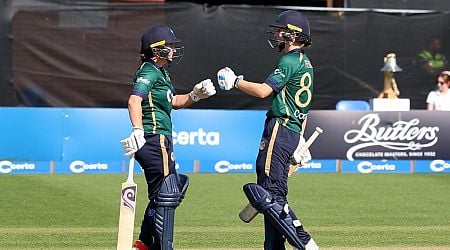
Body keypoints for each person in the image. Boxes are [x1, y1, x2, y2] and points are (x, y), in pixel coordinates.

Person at [217, 10, 318, 250]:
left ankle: (304, 241)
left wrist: (235, 82)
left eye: (282, 31)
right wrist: (300, 139)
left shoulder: (289, 60)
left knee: (269, 195)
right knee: (274, 194)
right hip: (291, 131)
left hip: (279, 129)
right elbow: (302, 107)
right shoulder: (306, 63)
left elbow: (264, 91)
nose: (278, 35)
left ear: (293, 35)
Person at [120, 24, 216, 250]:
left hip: (159, 139)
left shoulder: (162, 73)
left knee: (163, 194)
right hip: (153, 138)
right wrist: (137, 130)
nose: (173, 49)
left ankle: (144, 242)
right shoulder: (149, 71)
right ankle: (162, 246)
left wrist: (195, 95)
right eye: (170, 45)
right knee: (168, 194)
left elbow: (174, 102)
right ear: (157, 49)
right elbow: (134, 100)